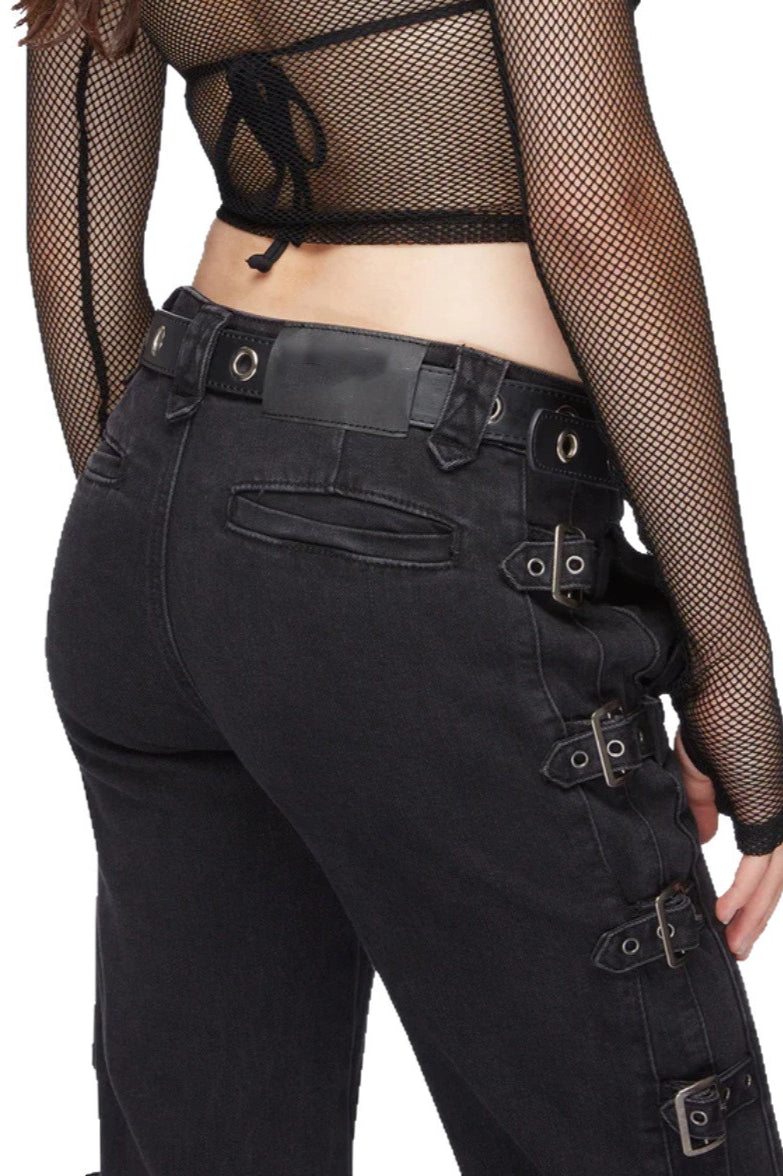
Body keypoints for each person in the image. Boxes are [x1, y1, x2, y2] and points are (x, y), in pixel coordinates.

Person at [17, 0, 783, 1172]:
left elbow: (69, 256)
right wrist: (729, 661)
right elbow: (600, 214)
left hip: (160, 507)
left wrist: (215, 550)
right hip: (431, 519)